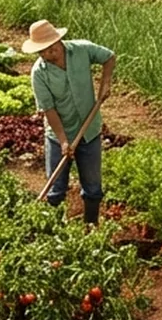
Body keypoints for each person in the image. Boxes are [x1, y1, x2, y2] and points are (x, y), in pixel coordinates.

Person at [23, 20, 115, 225]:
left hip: (88, 131)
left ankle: (90, 227)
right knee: (55, 189)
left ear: (59, 40)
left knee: (92, 188)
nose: (48, 55)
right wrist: (64, 140)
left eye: (51, 49)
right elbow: (49, 110)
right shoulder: (39, 73)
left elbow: (108, 57)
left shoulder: (82, 50)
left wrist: (105, 83)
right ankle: (53, 231)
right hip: (58, 136)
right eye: (42, 52)